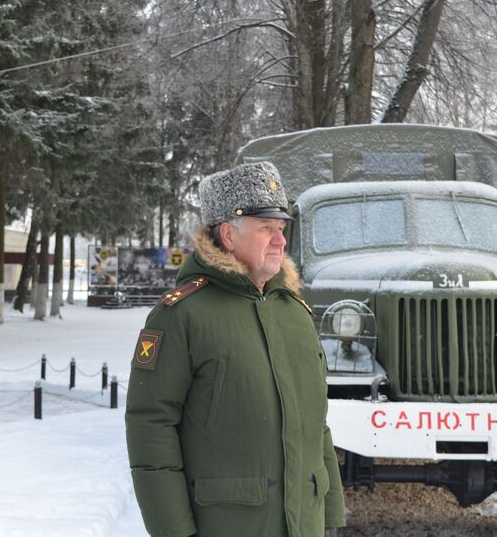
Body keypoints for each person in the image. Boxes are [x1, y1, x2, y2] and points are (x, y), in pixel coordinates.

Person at [125, 162, 346, 537]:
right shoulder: (180, 316)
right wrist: (174, 531)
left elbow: (315, 424)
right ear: (228, 235)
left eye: (281, 229)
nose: (280, 241)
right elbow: (150, 429)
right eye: (266, 229)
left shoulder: (295, 313)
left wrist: (330, 516)